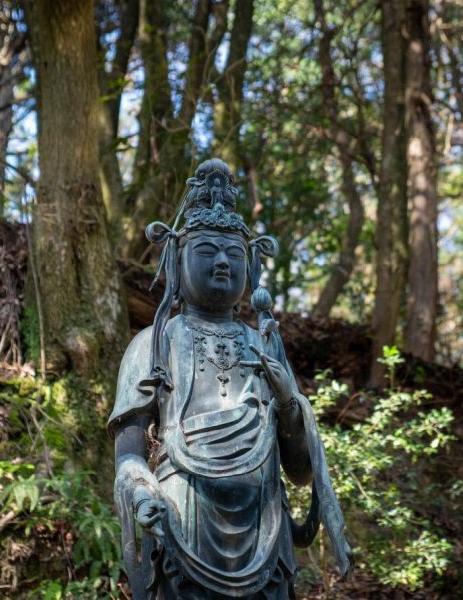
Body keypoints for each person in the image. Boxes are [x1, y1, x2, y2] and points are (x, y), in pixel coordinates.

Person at [109, 159, 351, 599]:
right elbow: (128, 455)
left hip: (266, 526)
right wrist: (142, 492)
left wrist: (288, 404)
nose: (222, 262)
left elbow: (299, 471)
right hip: (183, 522)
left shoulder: (265, 343)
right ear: (177, 259)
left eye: (234, 254)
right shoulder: (154, 343)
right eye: (206, 251)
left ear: (251, 266)